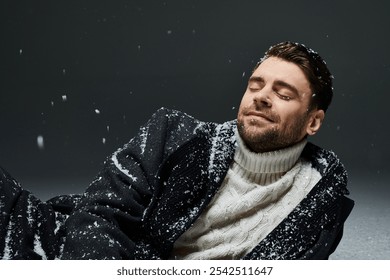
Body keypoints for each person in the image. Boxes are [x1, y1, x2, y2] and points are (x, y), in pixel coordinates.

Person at [0, 41, 354, 260]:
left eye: (283, 93)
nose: (260, 96)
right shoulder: (174, 134)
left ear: (313, 122)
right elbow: (101, 213)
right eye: (255, 85)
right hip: (69, 245)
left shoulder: (318, 203)